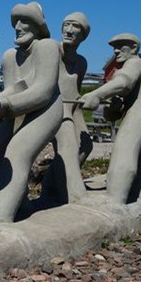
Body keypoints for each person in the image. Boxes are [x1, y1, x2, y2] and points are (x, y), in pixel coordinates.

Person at [0, 2, 63, 222]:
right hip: (16, 106)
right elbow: (11, 88)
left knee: (17, 153)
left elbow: (43, 90)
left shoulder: (47, 47)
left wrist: (5, 105)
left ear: (38, 26)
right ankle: (20, 200)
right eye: (15, 22)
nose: (18, 26)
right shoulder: (10, 56)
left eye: (24, 21)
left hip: (46, 108)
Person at [80, 34, 141, 203]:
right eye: (114, 48)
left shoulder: (134, 62)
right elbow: (115, 112)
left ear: (133, 48)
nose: (116, 51)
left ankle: (116, 199)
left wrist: (96, 93)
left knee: (125, 146)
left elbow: (124, 82)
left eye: (121, 46)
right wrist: (114, 107)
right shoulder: (129, 66)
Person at [40, 11, 93, 204]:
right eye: (66, 25)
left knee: (86, 145)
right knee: (68, 145)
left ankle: (51, 183)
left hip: (72, 108)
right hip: (53, 108)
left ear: (84, 34)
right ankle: (68, 194)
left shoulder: (81, 62)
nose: (69, 30)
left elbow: (76, 92)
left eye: (75, 26)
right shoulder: (52, 50)